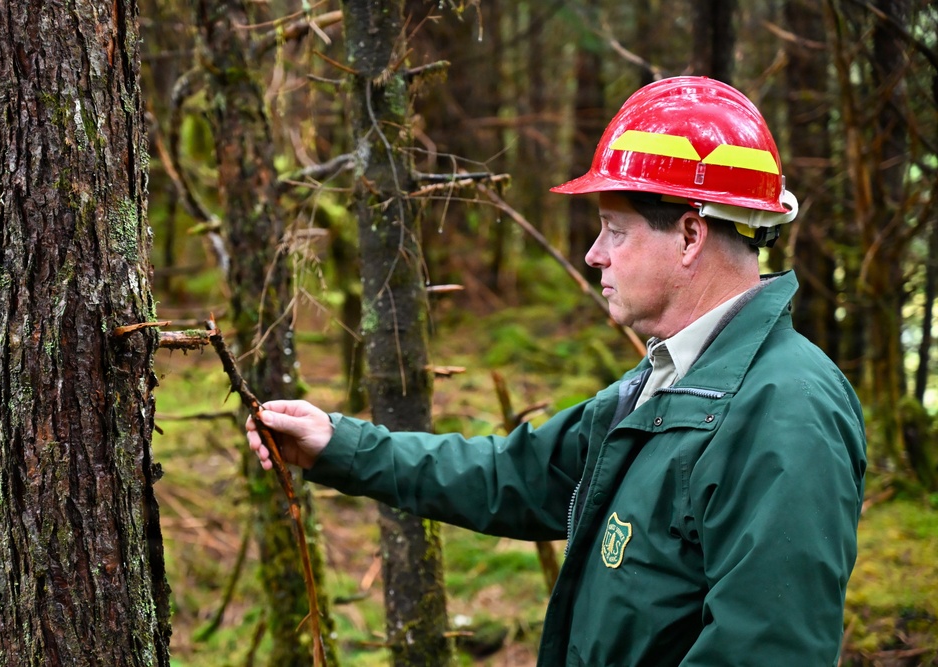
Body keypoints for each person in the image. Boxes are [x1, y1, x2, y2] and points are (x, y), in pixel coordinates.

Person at [247, 76, 867, 666]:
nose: (594, 254)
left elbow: (767, 650)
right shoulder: (670, 378)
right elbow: (514, 476)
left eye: (614, 230)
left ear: (689, 236)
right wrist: (339, 445)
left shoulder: (787, 411)